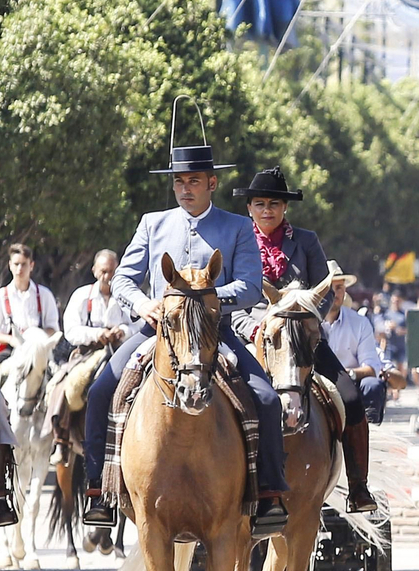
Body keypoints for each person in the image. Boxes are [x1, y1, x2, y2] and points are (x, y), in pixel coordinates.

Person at [81, 141, 290, 536]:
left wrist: (205, 299)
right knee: (99, 391)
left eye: (194, 181)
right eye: (179, 182)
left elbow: (248, 287)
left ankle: (269, 494)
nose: (185, 189)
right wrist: (144, 304)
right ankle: (98, 489)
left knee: (266, 397)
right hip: (158, 329)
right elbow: (125, 279)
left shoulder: (237, 226)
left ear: (212, 183)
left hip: (216, 331)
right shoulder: (152, 223)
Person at [235, 167, 380, 511]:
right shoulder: (238, 243)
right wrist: (252, 327)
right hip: (256, 337)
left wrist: (310, 314)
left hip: (302, 337)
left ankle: (359, 486)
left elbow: (326, 290)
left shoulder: (307, 240)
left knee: (350, 396)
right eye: (259, 204)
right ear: (249, 209)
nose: (267, 210)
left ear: (285, 208)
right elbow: (232, 300)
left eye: (274, 203)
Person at [45, 249, 134, 464]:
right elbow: (72, 330)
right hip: (87, 352)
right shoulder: (82, 295)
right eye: (104, 271)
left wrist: (122, 331)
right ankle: (62, 439)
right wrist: (98, 334)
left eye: (112, 271)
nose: (108, 276)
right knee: (68, 384)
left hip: (120, 351)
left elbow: (138, 323)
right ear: (95, 271)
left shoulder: (127, 295)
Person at [321, 268, 390, 425]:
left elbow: (372, 368)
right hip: (317, 384)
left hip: (351, 382)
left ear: (344, 290)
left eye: (339, 288)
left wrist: (346, 375)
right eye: (329, 288)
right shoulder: (310, 322)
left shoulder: (359, 323)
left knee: (372, 385)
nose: (335, 293)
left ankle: (369, 436)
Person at [0, 243, 60, 355]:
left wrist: (36, 336)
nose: (19, 269)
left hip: (39, 348)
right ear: (10, 265)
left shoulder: (44, 295)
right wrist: (11, 340)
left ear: (31, 265)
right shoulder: (1, 296)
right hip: (11, 349)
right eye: (16, 264)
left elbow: (53, 328)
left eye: (24, 264)